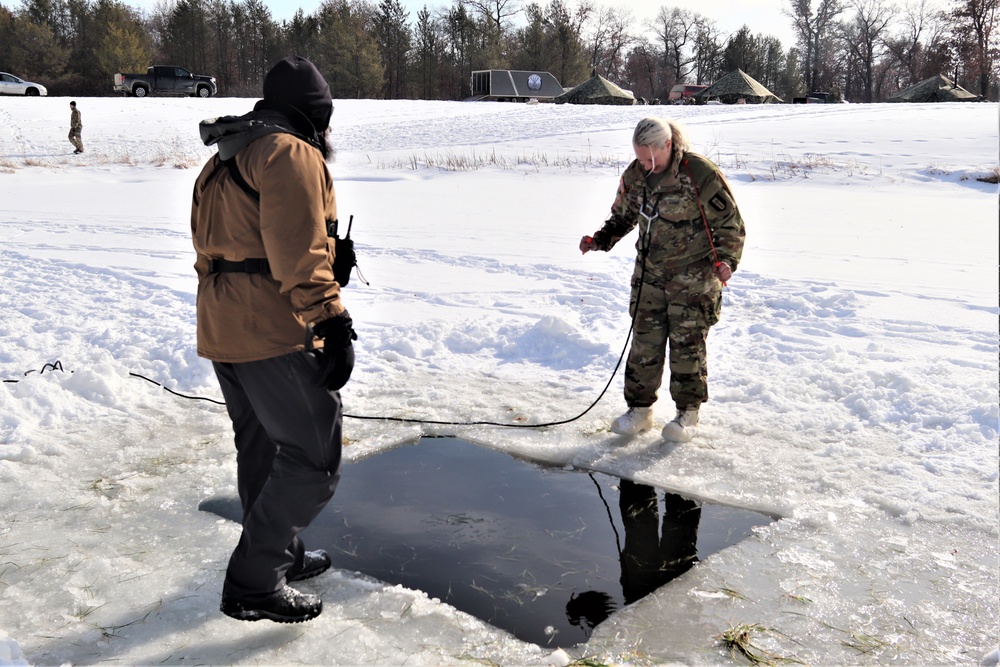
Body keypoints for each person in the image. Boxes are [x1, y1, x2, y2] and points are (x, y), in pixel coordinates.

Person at [190, 55, 356, 624]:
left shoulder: (226, 154)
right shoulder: (290, 152)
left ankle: (279, 555)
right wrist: (331, 321)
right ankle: (254, 581)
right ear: (315, 113)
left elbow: (234, 245)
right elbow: (297, 254)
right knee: (313, 457)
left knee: (262, 445)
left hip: (224, 325)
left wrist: (335, 257)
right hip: (272, 331)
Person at [580, 117, 745, 442]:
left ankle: (687, 415)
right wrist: (600, 240)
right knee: (645, 344)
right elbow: (624, 216)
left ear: (668, 145)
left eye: (650, 158)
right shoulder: (636, 174)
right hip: (650, 277)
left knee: (687, 346)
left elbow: (731, 225)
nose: (645, 164)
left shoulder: (699, 174)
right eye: (640, 158)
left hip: (694, 279)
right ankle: (639, 411)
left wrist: (727, 261)